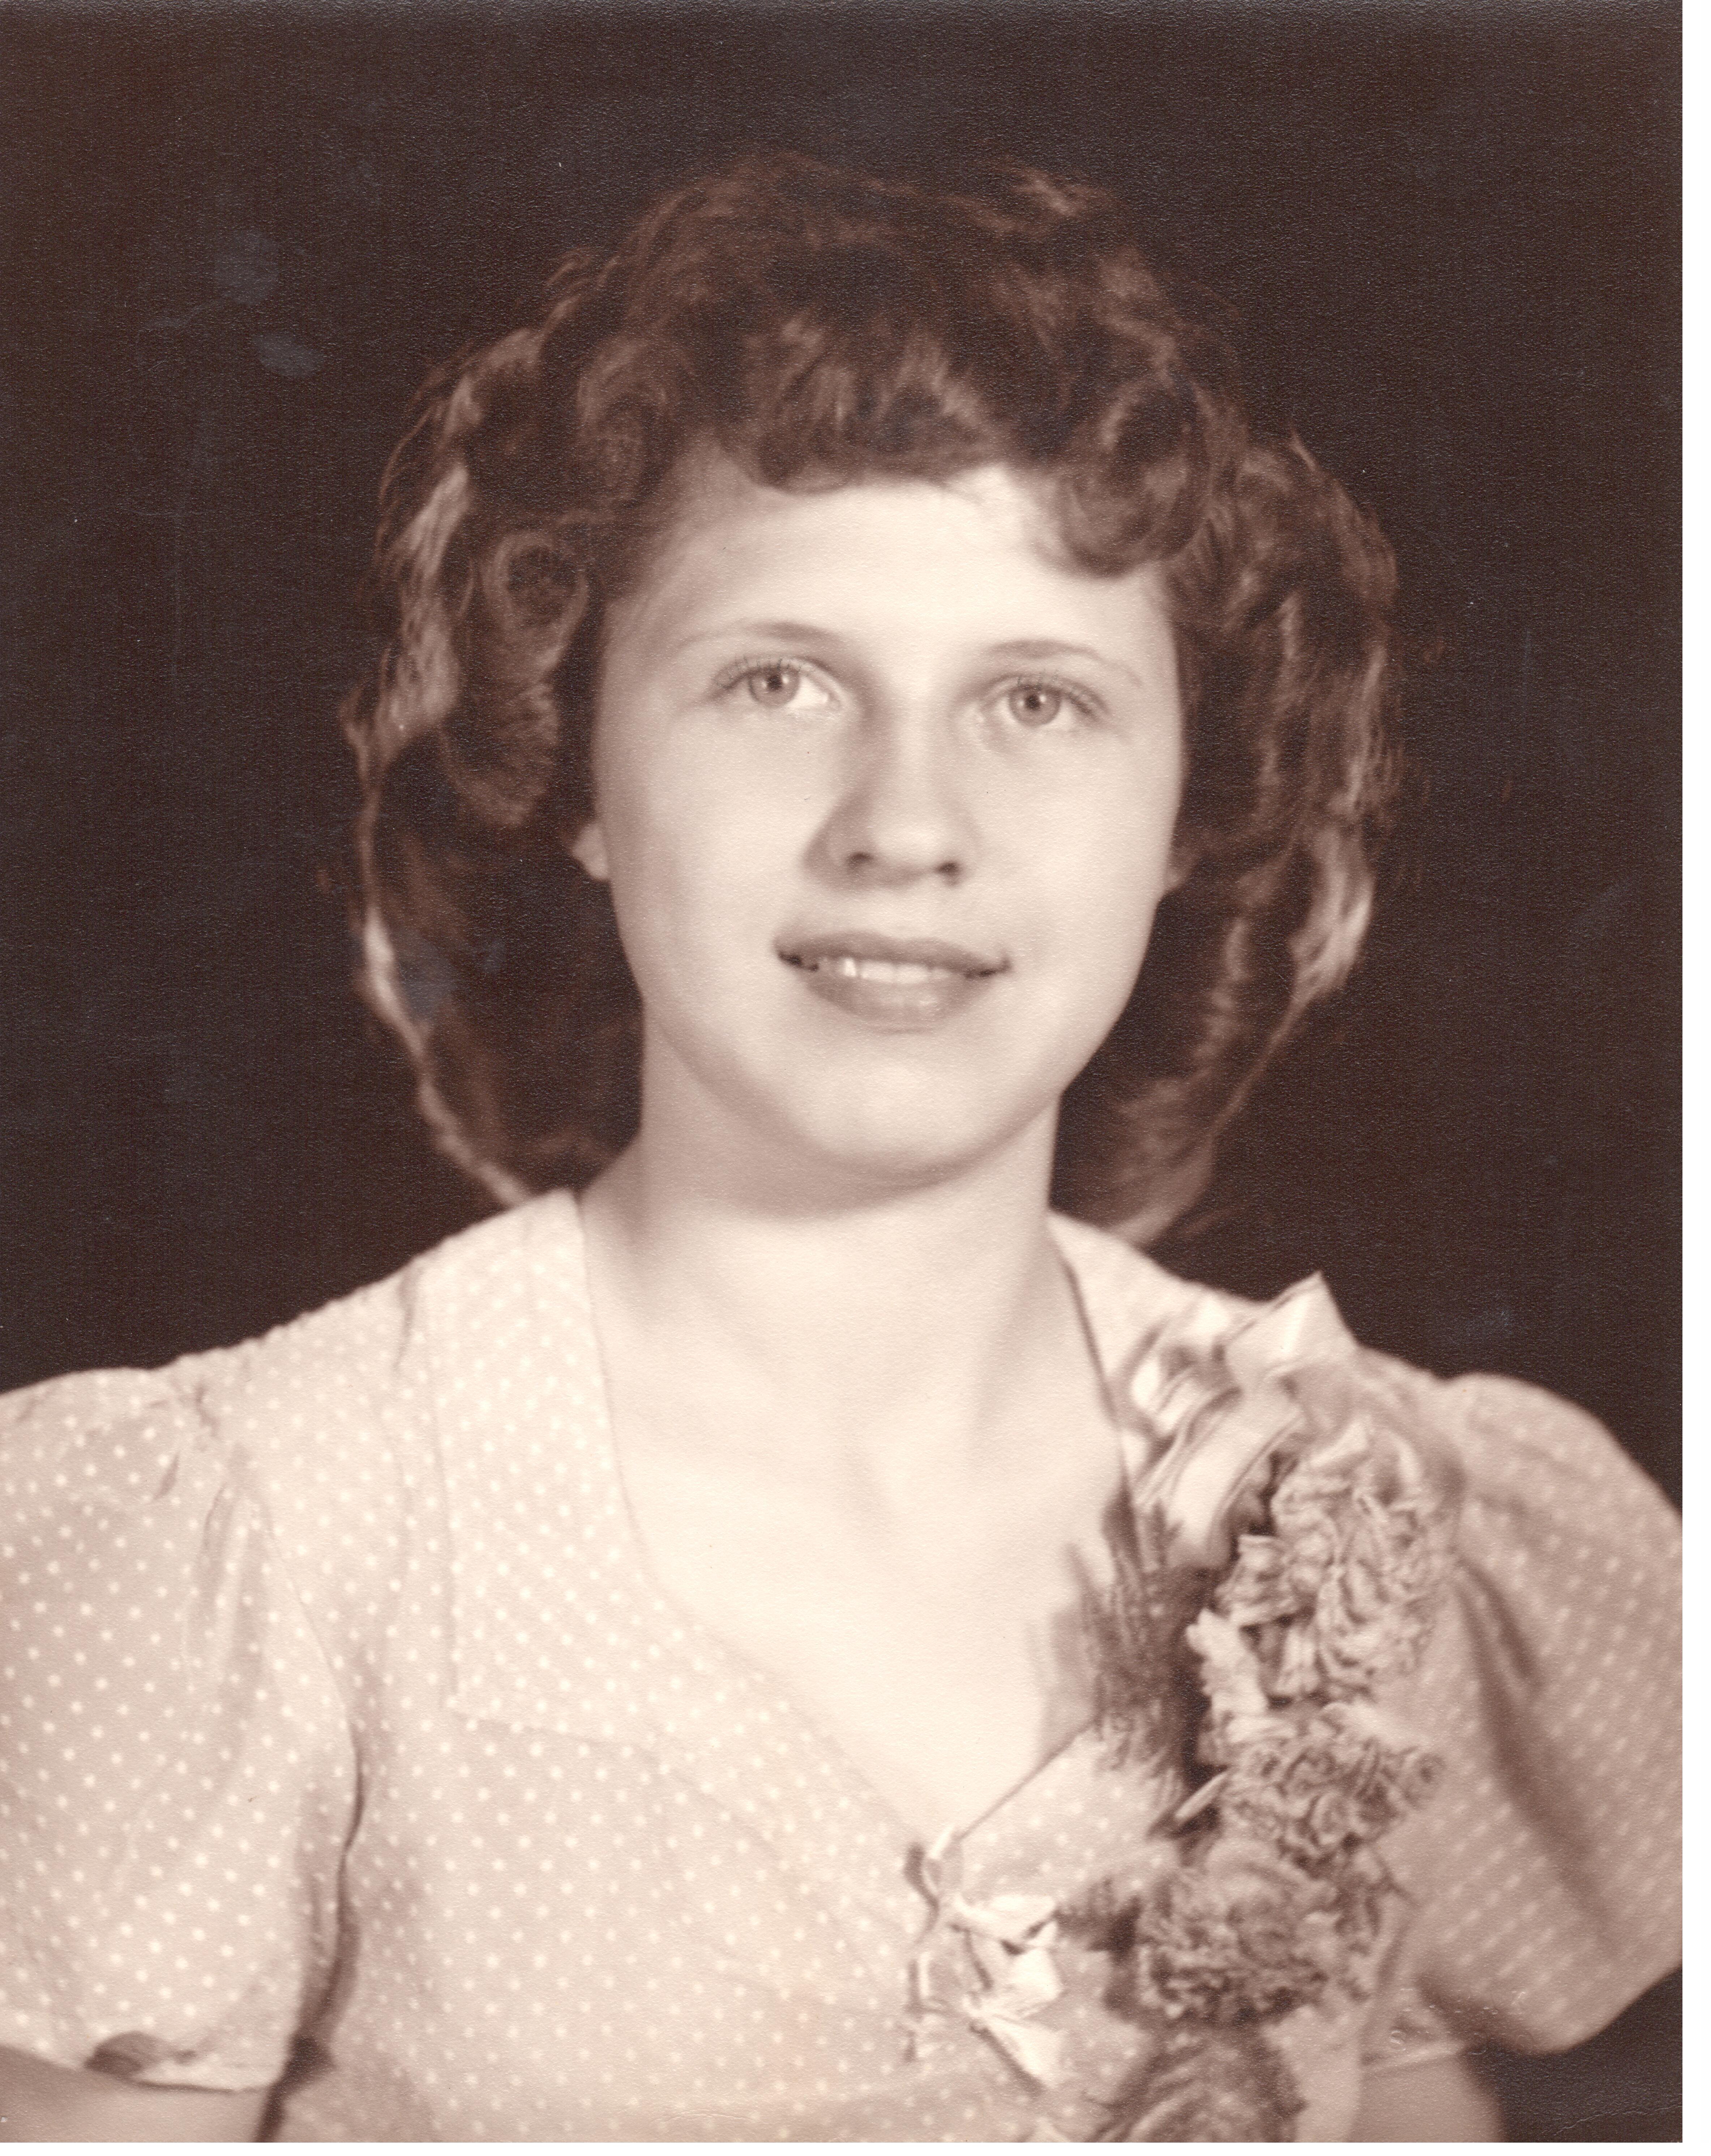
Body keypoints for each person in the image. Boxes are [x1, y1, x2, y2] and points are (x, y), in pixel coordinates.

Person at [0, 154, 1677, 2143]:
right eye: (777, 682)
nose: (906, 824)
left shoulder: (1370, 1505)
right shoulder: (263, 1535)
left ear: (1189, 811)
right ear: (579, 768)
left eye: (1038, 700)